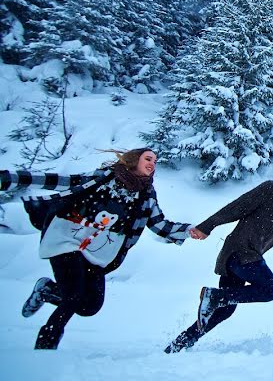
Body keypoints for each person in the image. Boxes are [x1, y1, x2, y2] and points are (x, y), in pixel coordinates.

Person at [0, 148, 193, 349]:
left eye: (155, 160)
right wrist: (8, 179)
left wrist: (191, 230)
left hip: (98, 252)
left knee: (89, 305)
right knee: (73, 295)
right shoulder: (103, 178)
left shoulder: (146, 194)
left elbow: (159, 225)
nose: (153, 163)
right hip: (68, 239)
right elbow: (59, 180)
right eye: (148, 158)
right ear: (135, 160)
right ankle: (46, 345)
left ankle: (48, 290)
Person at [165, 159, 273, 353]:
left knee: (225, 309)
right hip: (240, 252)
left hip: (247, 257)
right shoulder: (272, 189)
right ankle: (214, 295)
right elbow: (237, 207)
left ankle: (178, 346)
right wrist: (208, 225)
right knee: (269, 289)